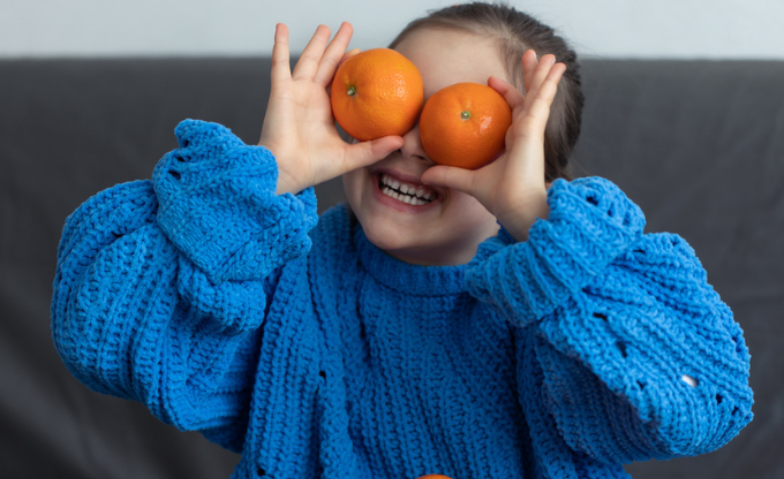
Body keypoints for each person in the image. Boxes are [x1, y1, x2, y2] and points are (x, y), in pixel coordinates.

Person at [50, 3, 753, 479]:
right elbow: (100, 335)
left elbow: (698, 402)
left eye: (463, 123)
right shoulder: (276, 278)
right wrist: (262, 181)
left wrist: (541, 225)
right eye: (401, 100)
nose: (412, 146)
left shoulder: (567, 312)